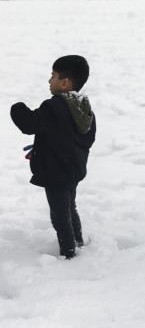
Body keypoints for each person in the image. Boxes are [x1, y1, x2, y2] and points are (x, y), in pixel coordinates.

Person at [10, 55, 97, 259]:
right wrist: (51, 144)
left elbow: (29, 124)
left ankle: (69, 253)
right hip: (73, 170)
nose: (50, 81)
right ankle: (77, 241)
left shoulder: (54, 106)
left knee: (60, 216)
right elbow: (85, 136)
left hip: (56, 173)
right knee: (71, 206)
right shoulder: (83, 106)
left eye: (53, 76)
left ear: (65, 83)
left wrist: (17, 107)